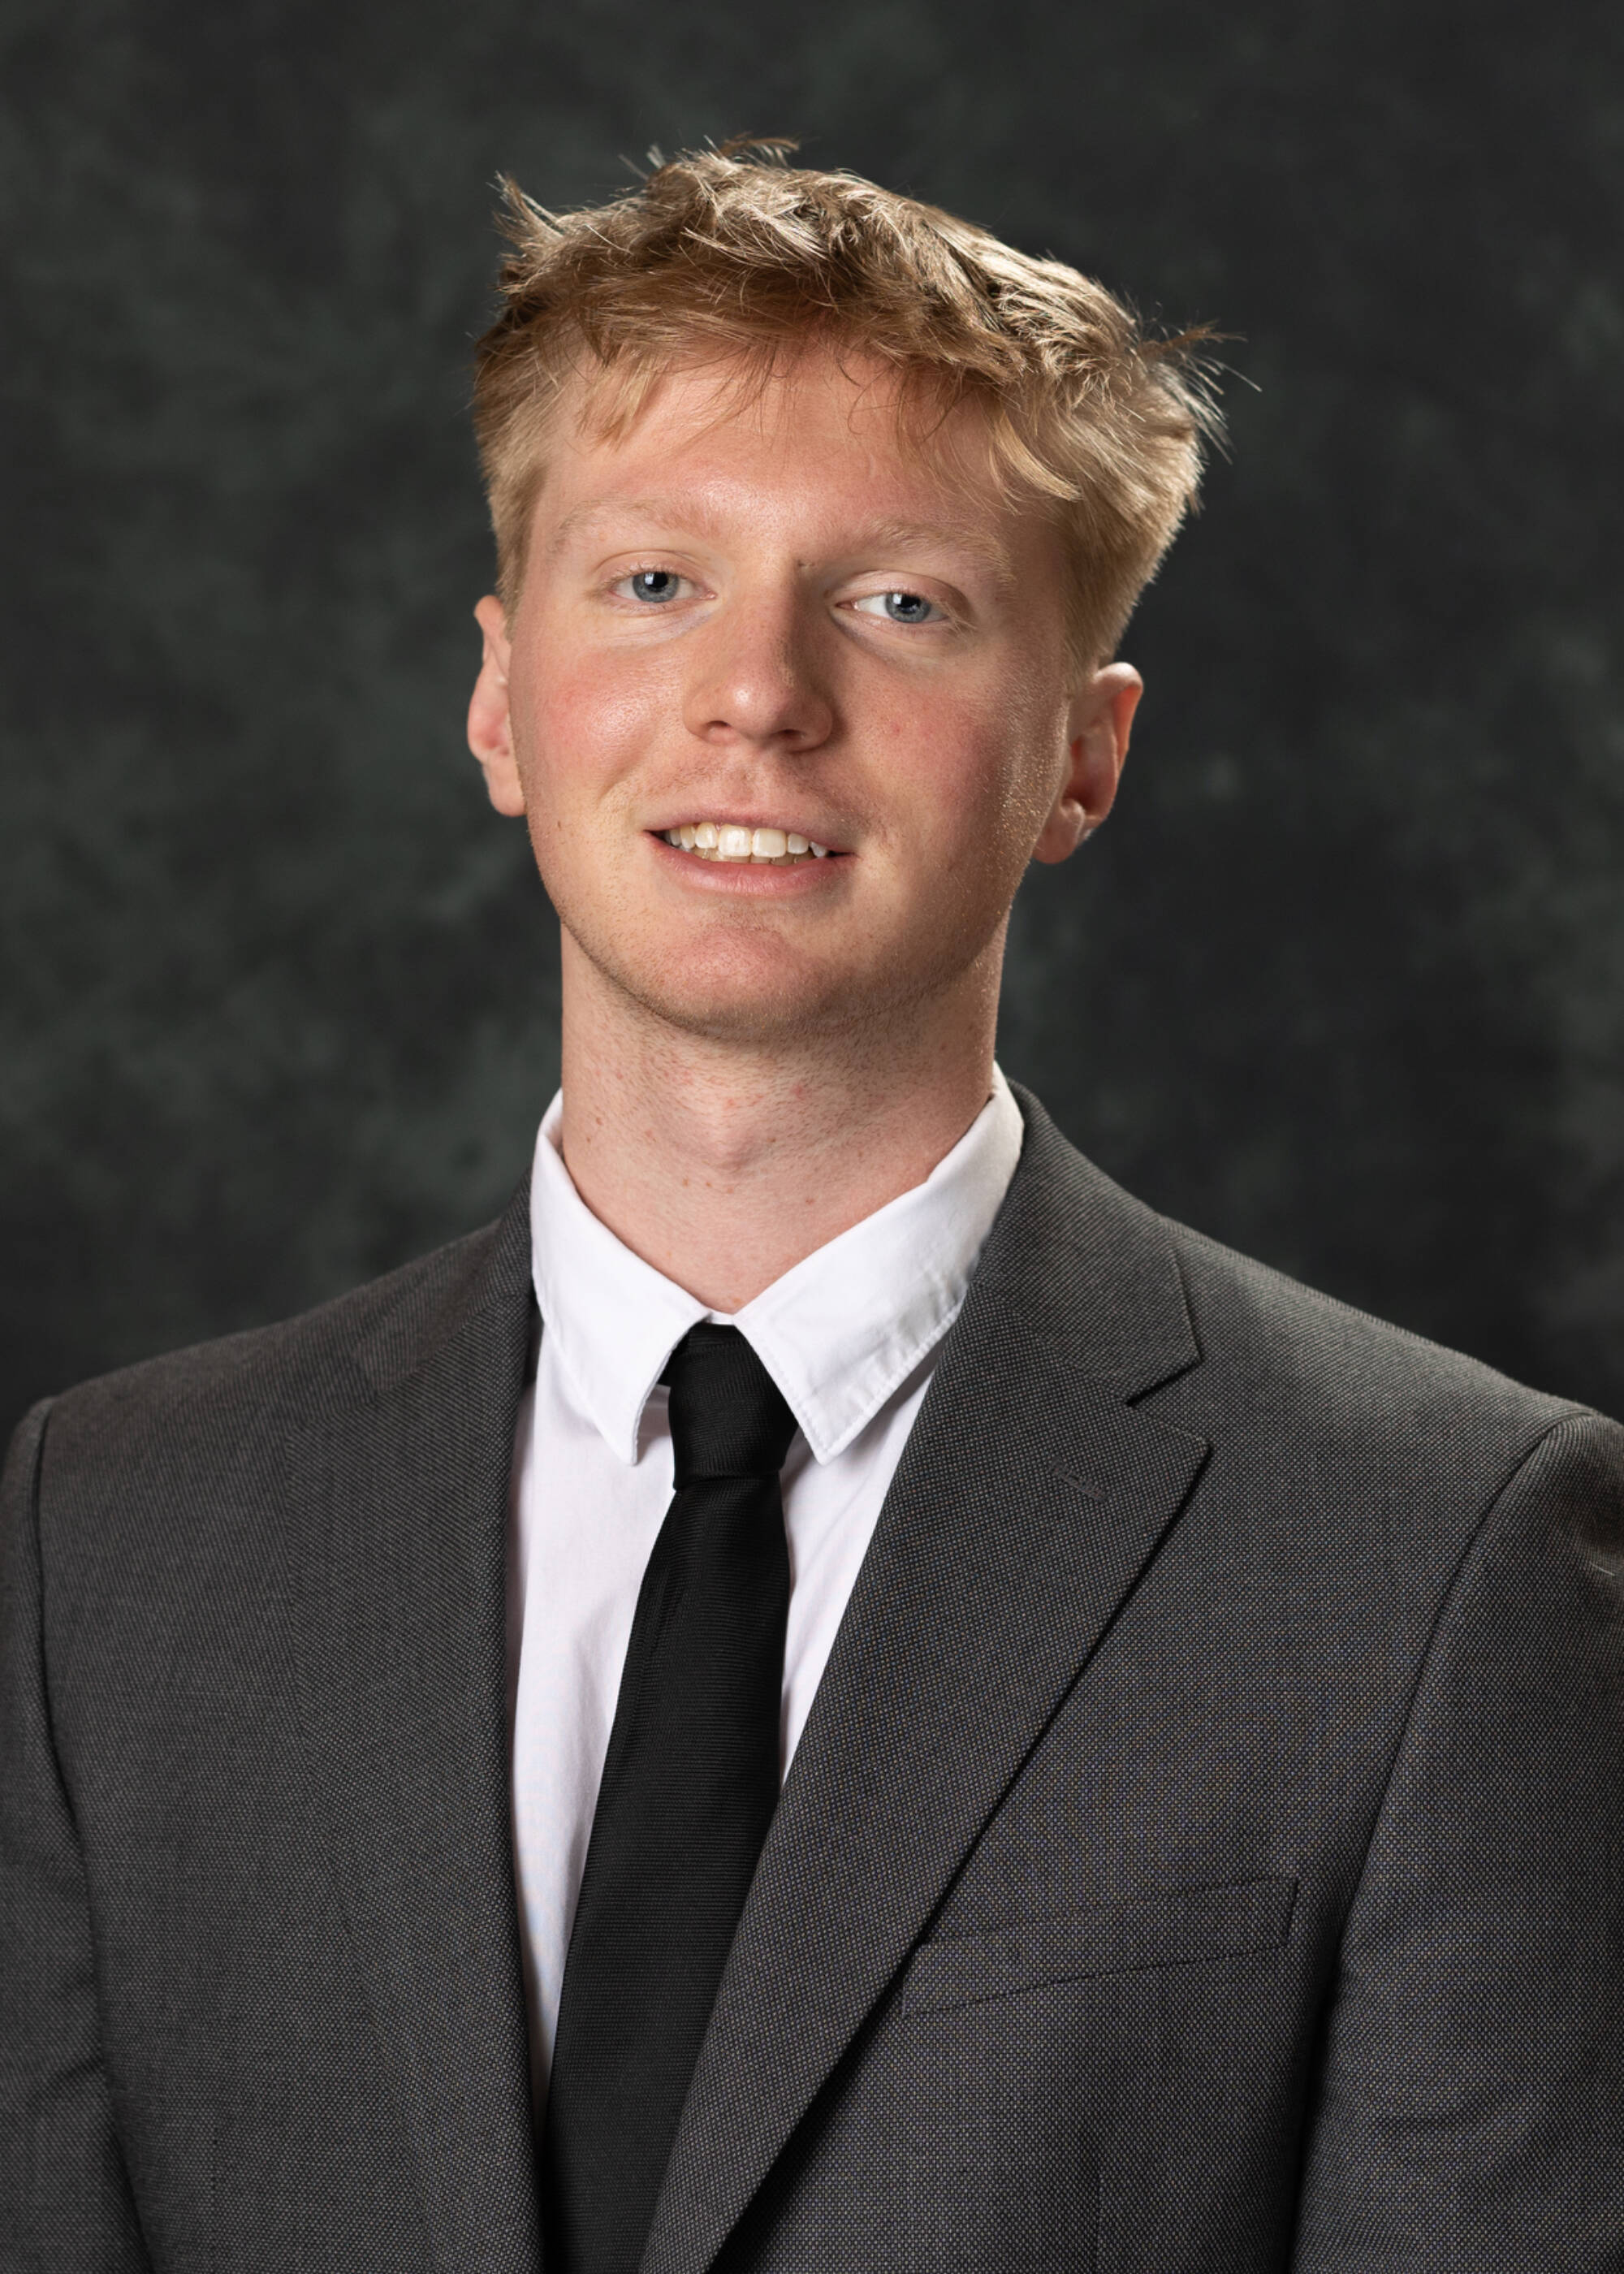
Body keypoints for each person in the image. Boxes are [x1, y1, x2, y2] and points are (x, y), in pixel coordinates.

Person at [2, 142, 1621, 2274]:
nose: (758, 691)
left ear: (1083, 755)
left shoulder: (1441, 1566)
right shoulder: (110, 1538)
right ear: (503, 696)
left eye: (901, 602)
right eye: (656, 579)